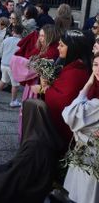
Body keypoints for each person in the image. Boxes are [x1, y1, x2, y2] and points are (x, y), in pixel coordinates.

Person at [30, 30, 91, 144]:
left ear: (73, 48)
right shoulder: (73, 65)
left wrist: (44, 89)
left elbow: (64, 100)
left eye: (62, 45)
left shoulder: (76, 72)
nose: (58, 48)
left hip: (63, 129)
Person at [61, 53, 99, 203]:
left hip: (91, 154)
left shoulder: (96, 102)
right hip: (85, 151)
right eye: (96, 65)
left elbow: (68, 114)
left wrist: (88, 84)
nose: (98, 69)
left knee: (87, 193)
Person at [0, 24, 24, 107]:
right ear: (22, 32)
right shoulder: (21, 41)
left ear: (13, 31)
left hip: (4, 63)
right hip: (13, 65)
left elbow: (1, 50)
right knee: (15, 84)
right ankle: (13, 101)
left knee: (3, 80)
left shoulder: (6, 39)